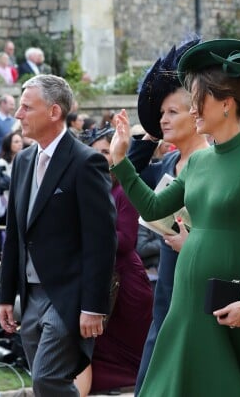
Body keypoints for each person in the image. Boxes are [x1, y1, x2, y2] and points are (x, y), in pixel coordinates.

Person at [110, 38, 240, 397]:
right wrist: (120, 162)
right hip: (188, 294)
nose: (192, 110)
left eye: (197, 101)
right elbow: (154, 208)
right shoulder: (198, 161)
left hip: (234, 295)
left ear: (225, 104)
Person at [0, 75, 117, 396]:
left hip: (69, 295)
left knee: (47, 379)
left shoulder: (86, 161)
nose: (18, 115)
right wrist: (6, 296)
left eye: (26, 107)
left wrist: (94, 306)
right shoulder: (22, 161)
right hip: (30, 295)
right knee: (47, 383)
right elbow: (15, 236)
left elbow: (101, 240)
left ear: (53, 112)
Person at [131, 39, 211, 394]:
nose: (164, 119)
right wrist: (148, 135)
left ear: (196, 116)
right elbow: (125, 182)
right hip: (167, 279)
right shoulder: (166, 163)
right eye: (161, 113)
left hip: (203, 281)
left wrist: (193, 244)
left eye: (172, 113)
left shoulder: (215, 163)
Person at [74, 126, 153, 396]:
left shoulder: (124, 189)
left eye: (106, 152)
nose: (100, 157)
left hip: (125, 282)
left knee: (135, 348)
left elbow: (127, 240)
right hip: (96, 278)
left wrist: (88, 235)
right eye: (95, 152)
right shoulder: (83, 186)